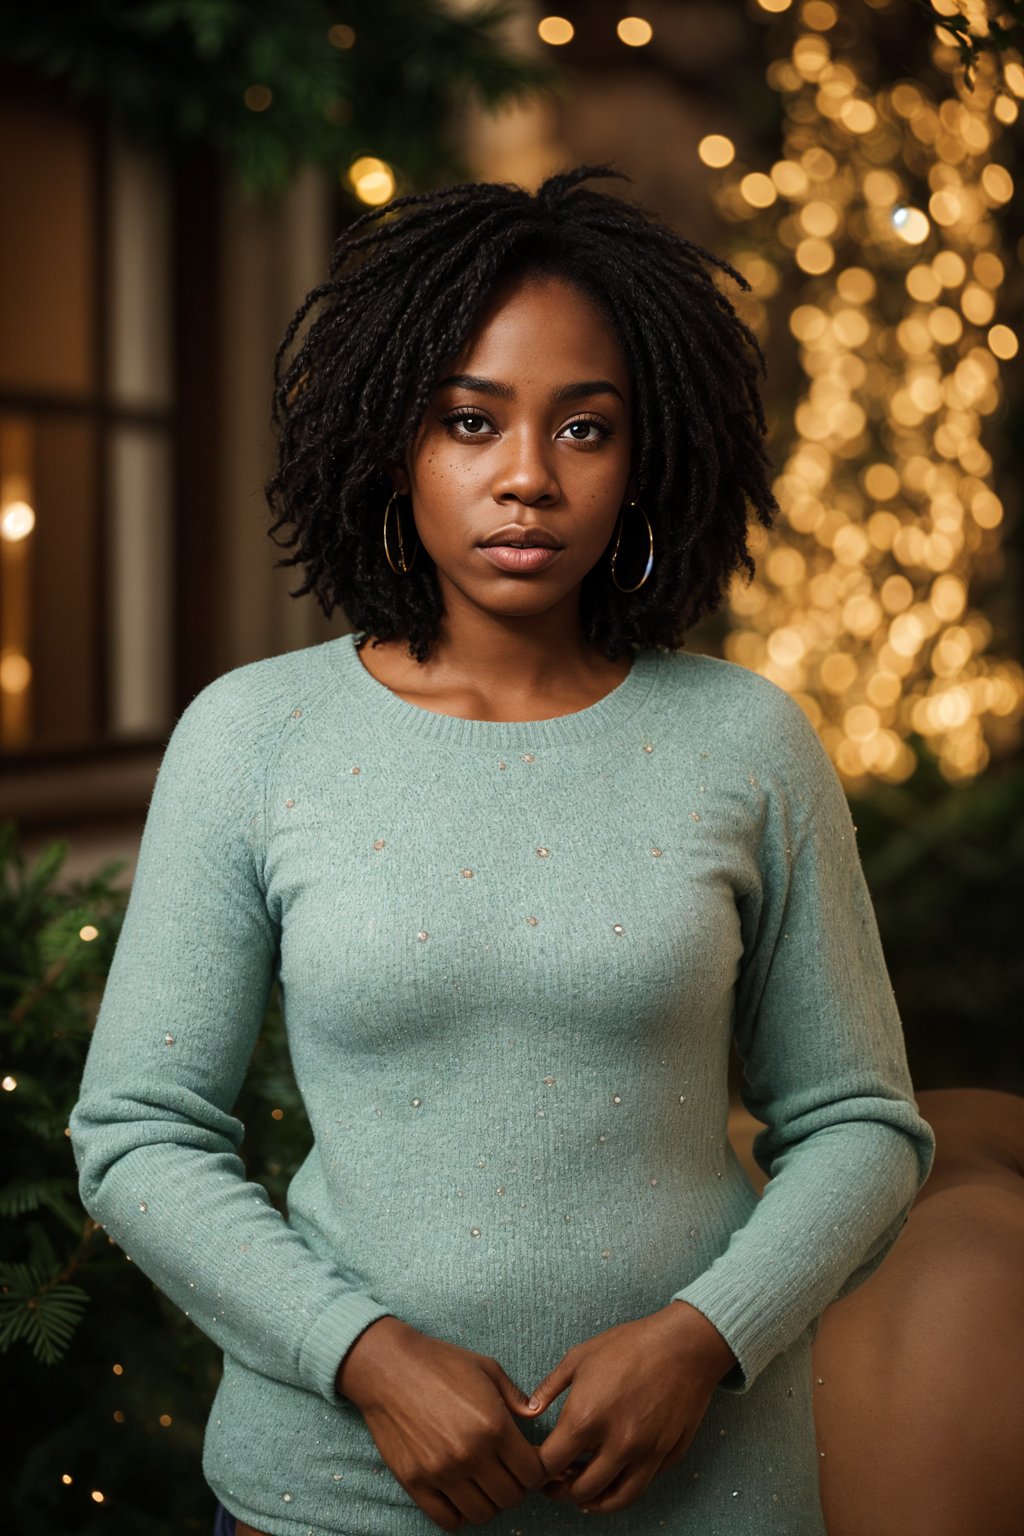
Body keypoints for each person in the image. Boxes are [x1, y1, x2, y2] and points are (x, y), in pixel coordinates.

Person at [69, 163, 936, 1536]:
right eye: (470, 422)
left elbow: (864, 1126)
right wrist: (364, 1354)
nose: (527, 478)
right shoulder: (254, 738)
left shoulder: (747, 742)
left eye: (586, 430)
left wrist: (706, 1337)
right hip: (331, 1497)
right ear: (390, 444)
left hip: (701, 1491)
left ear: (648, 458)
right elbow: (136, 1135)